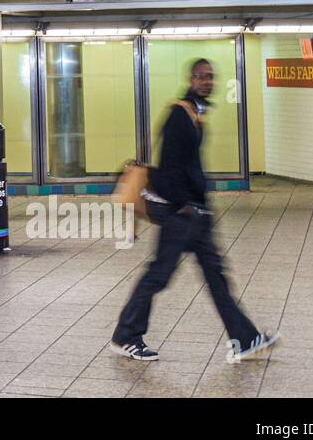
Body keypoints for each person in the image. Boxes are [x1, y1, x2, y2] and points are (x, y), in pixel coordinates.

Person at [111, 58, 280, 362]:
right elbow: (171, 166)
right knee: (159, 275)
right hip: (180, 214)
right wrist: (184, 206)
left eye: (211, 77)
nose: (207, 82)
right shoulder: (180, 114)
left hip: (195, 213)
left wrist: (200, 204)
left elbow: (190, 167)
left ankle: (245, 338)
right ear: (191, 79)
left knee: (216, 277)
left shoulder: (197, 113)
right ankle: (126, 335)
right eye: (201, 77)